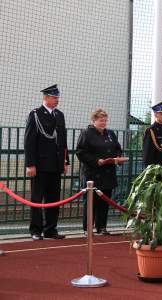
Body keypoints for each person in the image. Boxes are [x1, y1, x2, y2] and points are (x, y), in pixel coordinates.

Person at [24, 84, 68, 240]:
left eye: (57, 98)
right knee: (37, 198)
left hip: (56, 164)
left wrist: (65, 161)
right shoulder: (35, 114)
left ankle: (50, 229)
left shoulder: (59, 115)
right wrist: (30, 164)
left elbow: (63, 140)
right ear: (46, 97)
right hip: (40, 165)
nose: (57, 100)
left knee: (54, 198)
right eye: (54, 97)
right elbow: (29, 141)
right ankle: (36, 230)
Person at [76, 109, 126, 235]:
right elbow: (81, 152)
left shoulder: (110, 133)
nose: (104, 123)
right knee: (91, 202)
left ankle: (101, 227)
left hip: (108, 173)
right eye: (101, 120)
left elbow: (117, 148)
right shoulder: (86, 133)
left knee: (105, 201)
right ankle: (88, 228)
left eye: (105, 120)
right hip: (92, 173)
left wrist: (118, 157)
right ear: (93, 121)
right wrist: (96, 161)